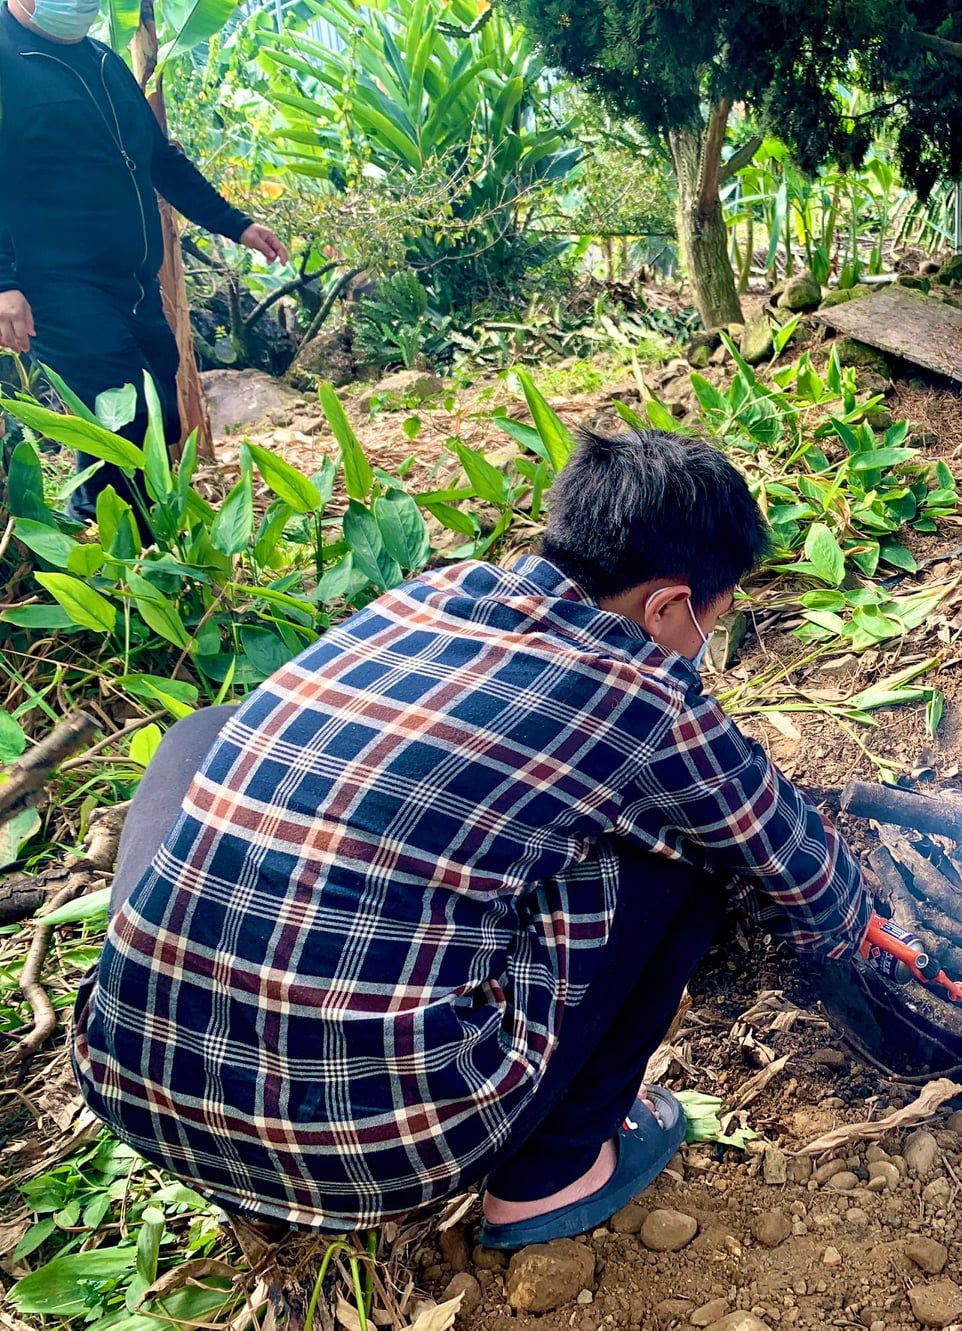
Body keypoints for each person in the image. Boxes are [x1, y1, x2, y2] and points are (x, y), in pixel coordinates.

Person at [72, 428, 870, 1248]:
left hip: (138, 1087)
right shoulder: (645, 696)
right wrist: (861, 929)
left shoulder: (433, 596)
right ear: (666, 605)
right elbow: (792, 864)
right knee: (687, 858)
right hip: (374, 1144)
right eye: (715, 613)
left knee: (203, 734)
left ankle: (210, 1066)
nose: (710, 639)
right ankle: (552, 1173)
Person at [0, 0, 287, 521]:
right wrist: (2, 281)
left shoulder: (105, 61)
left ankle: (110, 528)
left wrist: (236, 223)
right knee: (121, 411)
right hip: (54, 282)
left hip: (131, 277)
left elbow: (159, 159)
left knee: (159, 412)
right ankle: (123, 542)